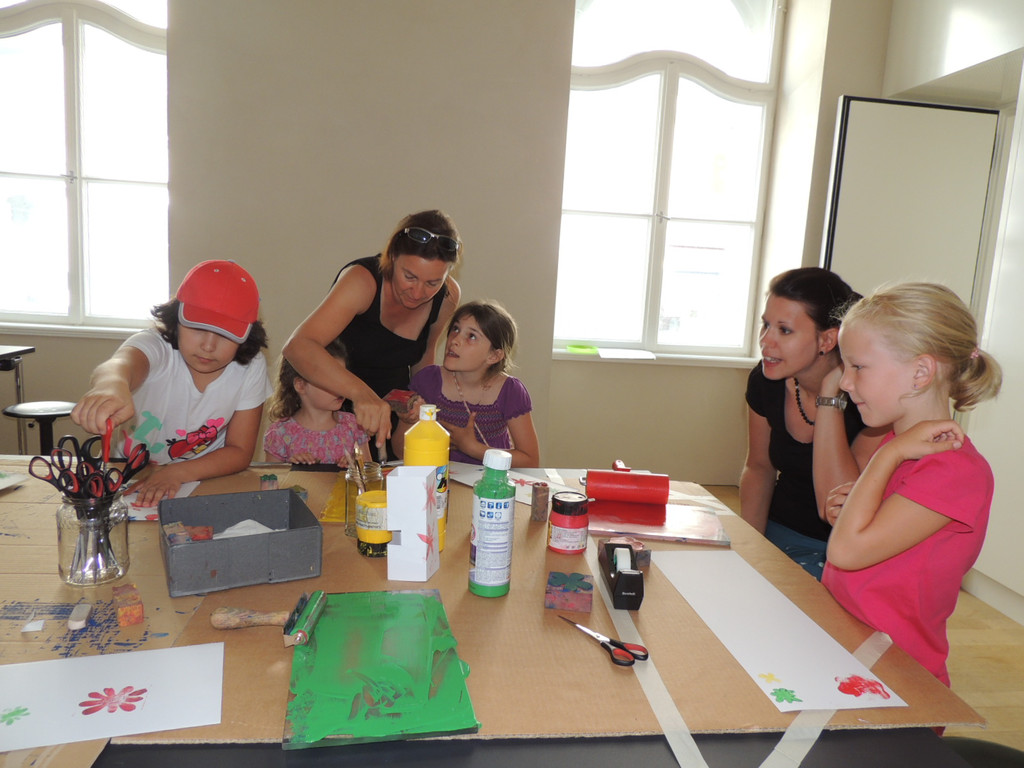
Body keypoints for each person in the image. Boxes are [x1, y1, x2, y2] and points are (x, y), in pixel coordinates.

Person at [822, 283, 1001, 687]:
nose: (845, 382)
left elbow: (846, 552)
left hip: (896, 675)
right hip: (850, 645)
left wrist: (887, 456)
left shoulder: (953, 470)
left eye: (858, 366)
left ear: (920, 373)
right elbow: (868, 537)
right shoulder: (899, 445)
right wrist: (851, 509)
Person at [71, 260, 273, 507]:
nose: (208, 346)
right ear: (177, 319)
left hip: (204, 477)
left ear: (247, 336)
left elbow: (240, 451)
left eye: (225, 334)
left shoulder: (251, 365)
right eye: (198, 328)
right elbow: (119, 366)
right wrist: (110, 387)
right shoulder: (157, 346)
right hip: (129, 471)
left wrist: (175, 473)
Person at [740, 267, 886, 579]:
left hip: (840, 550)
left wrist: (830, 394)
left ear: (827, 339)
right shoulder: (765, 381)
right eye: (765, 325)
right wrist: (748, 547)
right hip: (778, 531)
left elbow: (842, 505)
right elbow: (759, 467)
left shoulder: (867, 401)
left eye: (784, 330)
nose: (766, 341)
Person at [282, 210, 462, 460]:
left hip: (392, 418)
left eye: (433, 283)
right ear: (392, 257)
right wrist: (361, 394)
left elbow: (424, 355)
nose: (418, 292)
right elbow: (298, 347)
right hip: (335, 412)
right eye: (409, 277)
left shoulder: (448, 296)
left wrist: (419, 409)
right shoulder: (361, 281)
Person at [402, 300, 539, 467]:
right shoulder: (428, 380)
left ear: (494, 356)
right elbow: (399, 451)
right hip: (438, 478)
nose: (455, 340)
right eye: (455, 329)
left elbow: (530, 461)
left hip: (490, 480)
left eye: (471, 336)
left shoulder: (510, 391)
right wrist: (409, 420)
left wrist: (473, 448)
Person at [263, 339, 369, 465]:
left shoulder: (354, 426)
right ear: (301, 385)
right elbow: (272, 477)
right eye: (330, 380)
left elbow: (369, 472)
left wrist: (355, 467)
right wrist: (292, 468)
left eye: (343, 379)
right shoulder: (280, 434)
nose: (340, 388)